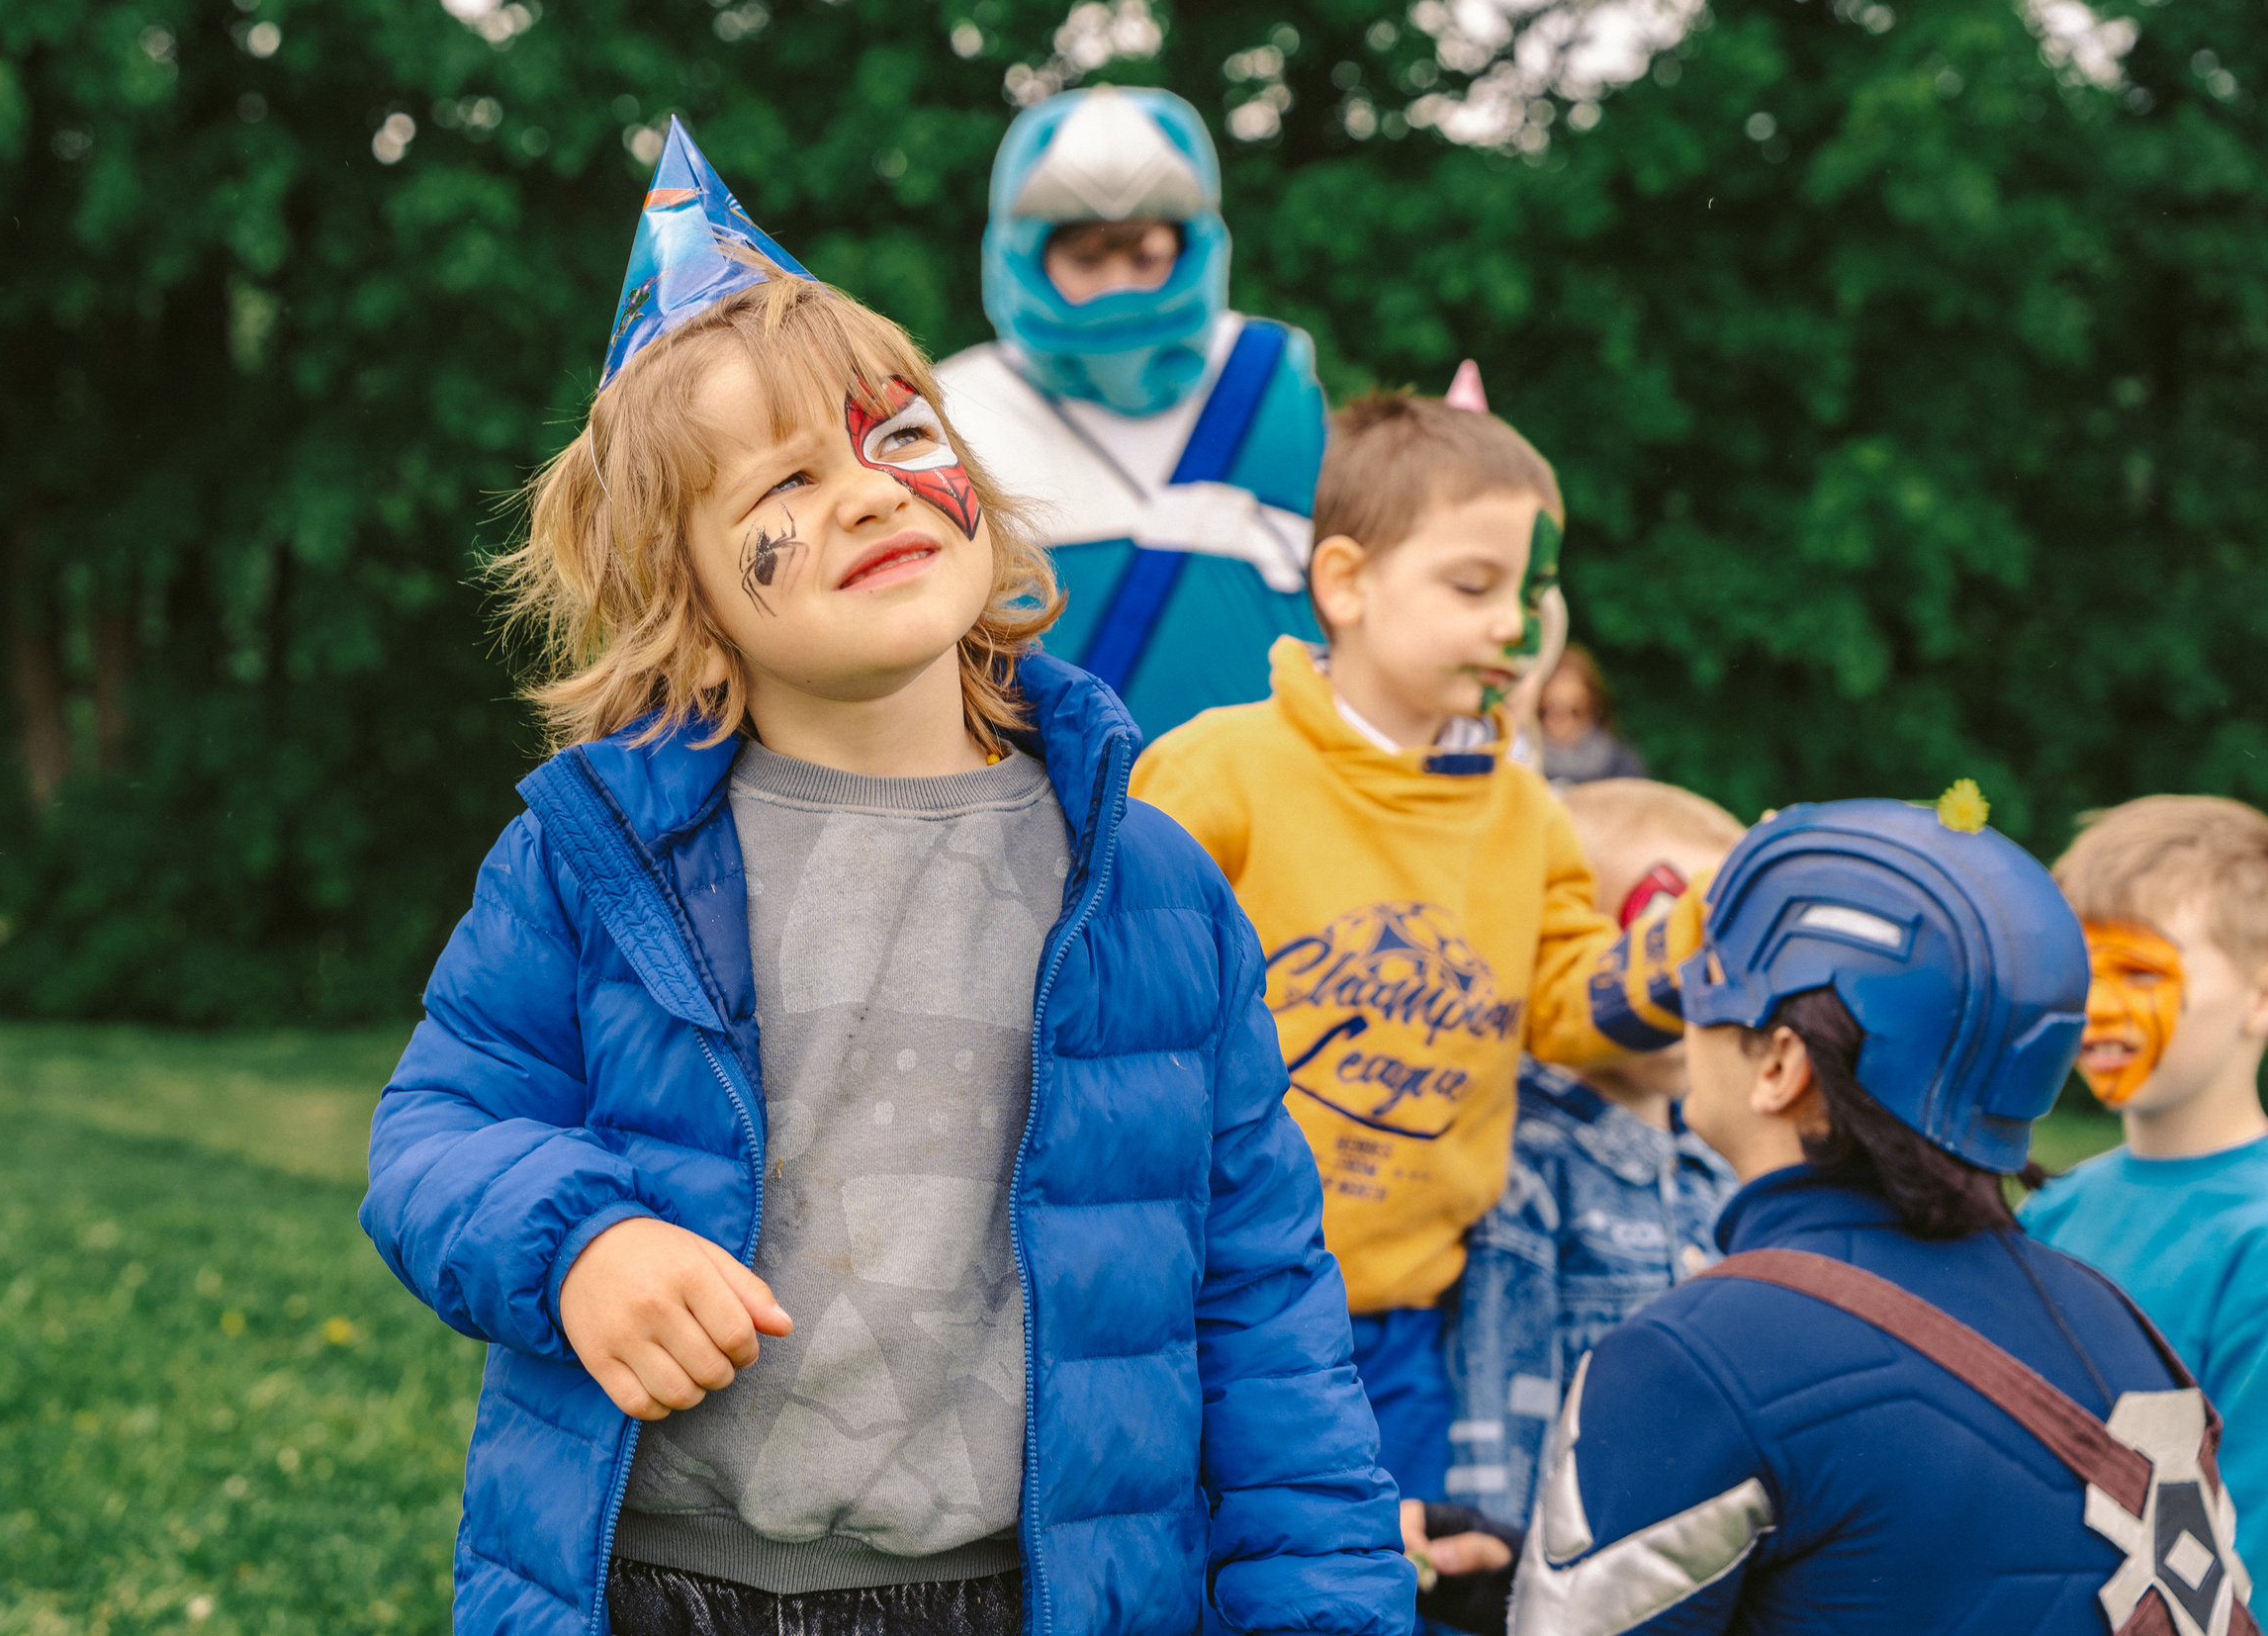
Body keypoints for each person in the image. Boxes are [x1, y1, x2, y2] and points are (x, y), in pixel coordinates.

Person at [357, 120, 1415, 1636]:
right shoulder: (599, 858)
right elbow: (435, 1131)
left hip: (1036, 1587)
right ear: (688, 595)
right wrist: (575, 1237)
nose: (867, 490)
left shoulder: (1153, 884)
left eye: (894, 431)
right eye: (779, 483)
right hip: (661, 1579)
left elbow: (1262, 1302)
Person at [1128, 393, 1704, 1568]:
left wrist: (1715, 929)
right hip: (1204, 1304)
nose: (1514, 623)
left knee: (1369, 1583)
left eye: (1532, 593)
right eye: (1472, 584)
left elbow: (1569, 1011)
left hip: (1402, 1327)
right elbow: (1114, 1015)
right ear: (1344, 582)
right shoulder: (1216, 773)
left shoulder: (1524, 816)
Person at [1511, 795, 2257, 1635]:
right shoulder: (2119, 1324)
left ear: (1782, 1065)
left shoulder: (1685, 1361)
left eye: (1711, 996)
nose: (1686, 1024)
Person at [938, 86, 1328, 741]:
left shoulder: (1271, 378)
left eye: (1145, 253)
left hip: (1282, 813)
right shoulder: (957, 411)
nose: (1118, 282)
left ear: (1192, 244)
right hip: (1059, 821)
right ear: (1028, 255)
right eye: (1086, 255)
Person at [1443, 779, 1743, 1532]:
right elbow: (1494, 1400)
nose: (1686, 987)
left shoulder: (1722, 1163)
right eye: (1662, 944)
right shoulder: (1526, 1164)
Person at [2020, 794, 2268, 1580]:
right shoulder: (2051, 1209)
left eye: (2137, 968)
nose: (2097, 1004)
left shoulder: (2256, 1238)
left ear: (2260, 997)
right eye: (2083, 970)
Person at [1535, 645, 1644, 787]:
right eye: (1549, 711)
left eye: (1573, 711)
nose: (1559, 721)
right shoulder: (1522, 761)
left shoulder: (1620, 764)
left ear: (1592, 706)